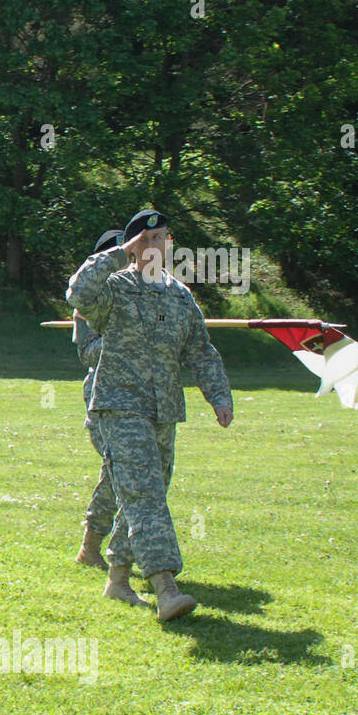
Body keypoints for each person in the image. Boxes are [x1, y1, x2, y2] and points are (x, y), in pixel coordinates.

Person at [67, 208, 234, 622]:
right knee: (145, 495)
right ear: (135, 246)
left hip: (164, 409)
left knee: (142, 493)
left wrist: (218, 395)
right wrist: (118, 253)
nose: (158, 246)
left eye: (164, 239)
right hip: (120, 405)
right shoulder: (114, 288)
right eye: (149, 240)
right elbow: (77, 292)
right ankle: (165, 587)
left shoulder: (179, 295)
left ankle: (118, 580)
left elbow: (200, 349)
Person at [72, 230, 123, 570]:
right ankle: (103, 552)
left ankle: (94, 550)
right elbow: (87, 353)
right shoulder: (88, 303)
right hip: (104, 399)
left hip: (145, 399)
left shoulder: (146, 293)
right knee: (122, 472)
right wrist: (125, 337)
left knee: (122, 474)